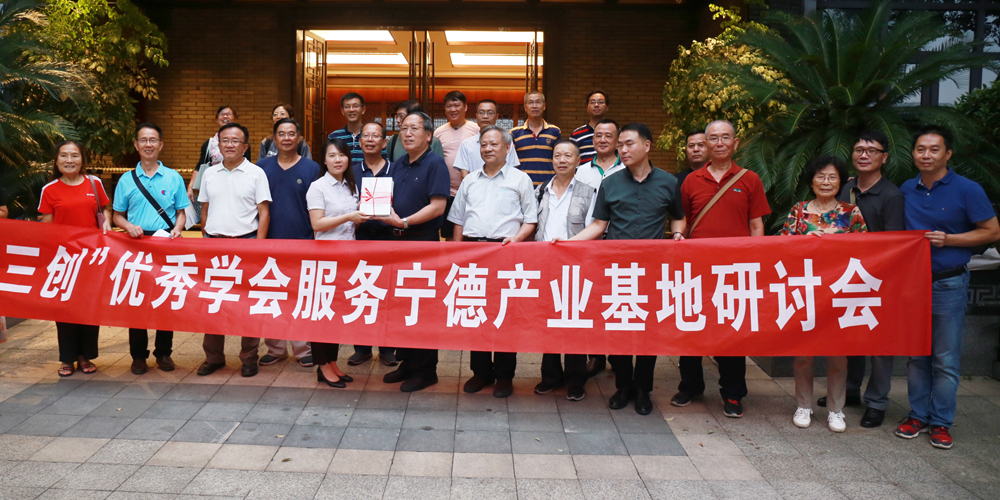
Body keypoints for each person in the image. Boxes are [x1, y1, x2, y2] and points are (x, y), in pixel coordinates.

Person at [566, 123, 685, 416]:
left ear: (647, 145)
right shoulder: (611, 183)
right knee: (617, 331)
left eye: (629, 143)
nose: (623, 149)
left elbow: (678, 217)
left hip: (653, 272)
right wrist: (566, 243)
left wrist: (678, 234)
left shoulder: (668, 182)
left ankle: (643, 389)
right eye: (620, 145)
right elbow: (598, 225)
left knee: (648, 333)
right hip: (617, 271)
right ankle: (623, 386)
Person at [895, 125, 999, 450]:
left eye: (934, 149)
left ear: (948, 153)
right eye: (920, 149)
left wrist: (950, 240)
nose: (926, 155)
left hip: (949, 282)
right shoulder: (907, 188)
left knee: (945, 357)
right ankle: (917, 415)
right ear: (913, 154)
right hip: (913, 284)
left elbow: (992, 231)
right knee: (916, 355)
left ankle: (941, 421)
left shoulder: (968, 189)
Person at [674, 119, 770, 419]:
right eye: (713, 138)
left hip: (735, 271)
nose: (719, 143)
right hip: (697, 270)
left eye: (725, 137)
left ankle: (732, 393)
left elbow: (756, 225)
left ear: (735, 143)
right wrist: (678, 236)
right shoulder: (691, 180)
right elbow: (683, 220)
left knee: (732, 332)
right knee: (692, 328)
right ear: (705, 143)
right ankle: (690, 386)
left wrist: (755, 262)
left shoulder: (750, 179)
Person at [815, 130, 905, 428]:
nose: (864, 155)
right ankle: (850, 390)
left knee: (880, 345)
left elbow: (893, 243)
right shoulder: (845, 188)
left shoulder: (891, 195)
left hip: (879, 278)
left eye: (872, 150)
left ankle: (877, 402)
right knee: (850, 335)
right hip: (847, 276)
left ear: (884, 157)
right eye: (859, 150)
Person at [449, 125, 538, 398]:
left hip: (505, 251)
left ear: (507, 148)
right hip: (473, 252)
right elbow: (458, 220)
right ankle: (480, 372)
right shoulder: (469, 181)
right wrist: (458, 254)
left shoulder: (521, 179)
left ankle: (504, 375)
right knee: (475, 311)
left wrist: (517, 240)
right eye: (483, 144)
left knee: (504, 314)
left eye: (494, 144)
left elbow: (531, 219)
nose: (488, 149)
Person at [781, 156, 867, 433]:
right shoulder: (798, 211)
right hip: (805, 290)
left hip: (839, 291)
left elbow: (867, 249)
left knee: (838, 354)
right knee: (803, 353)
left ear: (841, 181)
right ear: (811, 181)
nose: (826, 182)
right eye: (820, 176)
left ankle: (836, 410)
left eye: (832, 177)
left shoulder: (851, 212)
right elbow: (780, 247)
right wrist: (803, 243)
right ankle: (803, 405)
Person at [379, 112, 450, 392]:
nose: (407, 133)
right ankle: (407, 363)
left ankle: (426, 370)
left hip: (422, 243)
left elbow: (438, 206)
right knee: (402, 306)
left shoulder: (435, 164)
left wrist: (405, 222)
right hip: (397, 243)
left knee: (422, 307)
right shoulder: (398, 164)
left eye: (414, 128)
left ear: (428, 135)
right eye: (404, 128)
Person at [112, 123, 189, 375]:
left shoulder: (173, 177)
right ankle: (138, 356)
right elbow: (117, 215)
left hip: (166, 243)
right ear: (136, 145)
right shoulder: (126, 180)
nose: (148, 144)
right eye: (143, 140)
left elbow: (181, 213)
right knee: (138, 301)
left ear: (161, 145)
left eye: (153, 140)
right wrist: (128, 226)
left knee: (165, 299)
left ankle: (164, 353)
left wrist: (178, 228)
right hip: (136, 245)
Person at [197, 122, 272, 378]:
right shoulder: (209, 173)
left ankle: (249, 358)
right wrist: (206, 236)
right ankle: (214, 357)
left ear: (245, 146)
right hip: (214, 245)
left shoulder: (256, 173)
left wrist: (258, 247)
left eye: (235, 141)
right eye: (225, 140)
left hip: (246, 243)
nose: (229, 145)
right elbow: (205, 209)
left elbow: (264, 212)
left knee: (248, 305)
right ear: (218, 145)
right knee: (213, 303)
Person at [38, 140, 111, 377]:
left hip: (91, 259)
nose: (69, 160)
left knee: (89, 307)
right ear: (56, 161)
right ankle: (67, 358)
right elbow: (46, 229)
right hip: (64, 261)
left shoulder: (94, 183)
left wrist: (107, 223)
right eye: (64, 155)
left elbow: (104, 209)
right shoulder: (49, 189)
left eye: (75, 155)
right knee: (65, 309)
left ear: (82, 160)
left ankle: (85, 356)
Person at [534, 140, 596, 401]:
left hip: (575, 265)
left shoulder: (589, 192)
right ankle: (550, 376)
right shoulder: (541, 190)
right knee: (548, 321)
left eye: (568, 156)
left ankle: (576, 379)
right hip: (545, 264)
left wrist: (569, 245)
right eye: (557, 155)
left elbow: (594, 228)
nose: (562, 160)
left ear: (578, 160)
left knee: (574, 322)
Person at [307, 138, 371, 388]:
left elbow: (351, 224)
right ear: (324, 160)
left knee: (335, 314)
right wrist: (349, 216)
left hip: (347, 258)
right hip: (325, 259)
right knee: (322, 313)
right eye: (331, 155)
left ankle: (332, 362)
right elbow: (317, 223)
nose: (337, 160)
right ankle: (322, 366)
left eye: (342, 155)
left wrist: (361, 216)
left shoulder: (351, 186)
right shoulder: (318, 187)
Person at [257, 118, 320, 368]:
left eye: (291, 134)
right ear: (274, 139)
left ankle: (303, 349)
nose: (286, 138)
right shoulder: (261, 167)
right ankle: (275, 348)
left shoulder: (312, 168)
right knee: (272, 297)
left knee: (299, 297)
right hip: (269, 242)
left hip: (303, 241)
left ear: (299, 138)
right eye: (281, 134)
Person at [571, 118, 623, 378]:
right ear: (592, 140)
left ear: (618, 141)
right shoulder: (581, 171)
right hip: (588, 243)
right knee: (592, 300)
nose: (602, 140)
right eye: (598, 135)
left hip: (619, 244)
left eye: (608, 136)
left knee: (617, 297)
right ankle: (596, 355)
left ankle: (618, 354)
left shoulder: (627, 168)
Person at [349, 121, 398, 368]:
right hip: (360, 240)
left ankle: (388, 348)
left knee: (387, 296)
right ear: (359, 142)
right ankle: (362, 347)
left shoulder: (396, 169)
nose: (370, 140)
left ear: (384, 142)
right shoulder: (351, 171)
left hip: (390, 240)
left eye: (375, 136)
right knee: (362, 292)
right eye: (365, 136)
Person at [186, 106, 249, 211]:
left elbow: (247, 165)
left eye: (228, 114)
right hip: (214, 184)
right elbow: (200, 166)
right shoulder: (209, 143)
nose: (225, 116)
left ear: (235, 119)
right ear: (216, 119)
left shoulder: (242, 143)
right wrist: (190, 187)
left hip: (237, 184)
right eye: (222, 114)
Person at [454, 99, 520, 179]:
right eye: (481, 112)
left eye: (490, 113)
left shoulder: (506, 142)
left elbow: (512, 170)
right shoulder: (466, 144)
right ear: (476, 116)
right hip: (474, 186)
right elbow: (464, 176)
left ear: (497, 116)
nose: (485, 116)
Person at [510, 91, 561, 185]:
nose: (534, 106)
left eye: (538, 102)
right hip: (522, 185)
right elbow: (510, 162)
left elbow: (559, 158)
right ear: (525, 107)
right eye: (530, 102)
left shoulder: (555, 131)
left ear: (544, 106)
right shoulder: (514, 133)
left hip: (548, 186)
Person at [570, 90, 609, 165]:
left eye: (600, 102)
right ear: (587, 107)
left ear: (607, 107)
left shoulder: (616, 133)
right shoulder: (576, 135)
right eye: (592, 102)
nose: (596, 105)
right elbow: (571, 160)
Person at [327, 93, 368, 164]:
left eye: (355, 106)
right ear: (342, 111)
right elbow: (329, 162)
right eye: (347, 106)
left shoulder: (372, 137)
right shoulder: (334, 137)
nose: (351, 110)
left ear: (363, 109)